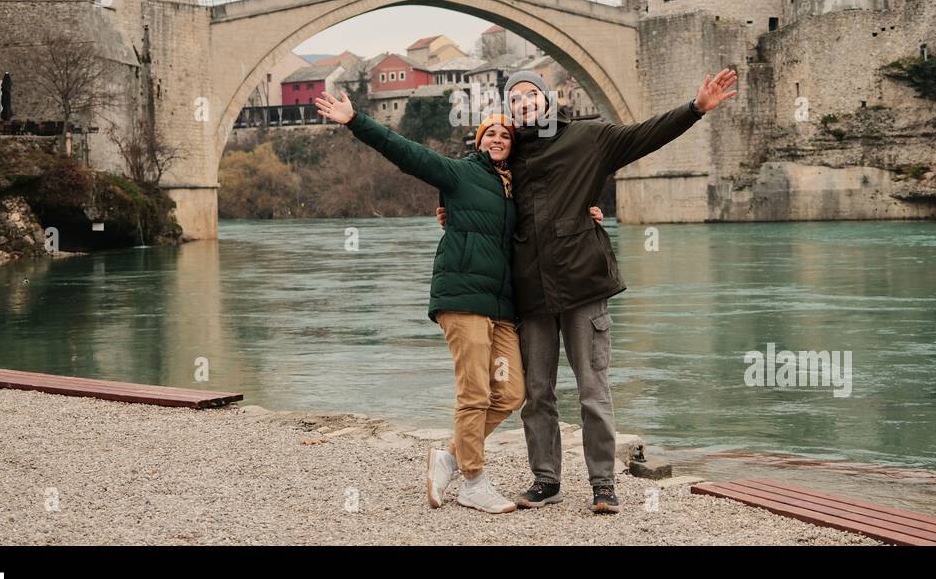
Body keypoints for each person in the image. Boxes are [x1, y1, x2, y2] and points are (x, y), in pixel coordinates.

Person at [439, 67, 738, 514]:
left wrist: (694, 109)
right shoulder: (507, 155)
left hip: (583, 282)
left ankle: (603, 483)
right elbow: (469, 184)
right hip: (531, 292)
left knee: (592, 390)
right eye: (514, 99)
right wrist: (449, 210)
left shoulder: (588, 138)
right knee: (536, 393)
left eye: (530, 96)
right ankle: (546, 480)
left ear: (547, 99)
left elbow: (645, 136)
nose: (523, 105)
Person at [314, 90, 606, 514]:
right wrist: (356, 120)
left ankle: (449, 456)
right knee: (473, 394)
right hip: (464, 302)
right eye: (491, 134)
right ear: (479, 140)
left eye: (506, 135)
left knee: (510, 393)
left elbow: (558, 200)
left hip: (502, 311)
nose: (498, 139)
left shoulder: (516, 191)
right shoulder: (457, 174)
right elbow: (406, 153)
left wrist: (587, 212)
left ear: (513, 144)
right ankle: (473, 480)